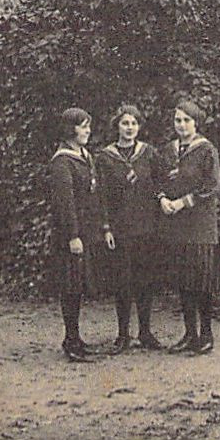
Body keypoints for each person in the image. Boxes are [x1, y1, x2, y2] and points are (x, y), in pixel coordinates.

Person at [96, 103, 165, 352]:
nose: (130, 128)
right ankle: (123, 335)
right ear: (117, 126)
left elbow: (160, 185)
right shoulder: (105, 157)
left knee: (145, 280)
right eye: (125, 123)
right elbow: (101, 195)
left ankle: (145, 333)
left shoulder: (149, 154)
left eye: (134, 123)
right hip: (120, 228)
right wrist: (106, 227)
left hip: (146, 227)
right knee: (122, 282)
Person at [158, 99, 220, 355]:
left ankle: (206, 335)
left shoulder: (206, 150)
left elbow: (213, 186)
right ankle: (189, 333)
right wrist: (162, 199)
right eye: (178, 120)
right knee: (183, 279)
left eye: (186, 120)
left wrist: (184, 202)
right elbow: (158, 179)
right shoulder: (169, 150)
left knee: (201, 280)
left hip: (199, 225)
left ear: (196, 122)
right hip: (176, 226)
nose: (182, 125)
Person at [47, 106, 110, 362]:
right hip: (70, 235)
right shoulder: (62, 161)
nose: (87, 131)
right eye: (82, 126)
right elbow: (65, 203)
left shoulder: (85, 156)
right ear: (70, 129)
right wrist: (73, 235)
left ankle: (76, 338)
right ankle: (70, 339)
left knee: (80, 285)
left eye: (87, 126)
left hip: (87, 231)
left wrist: (102, 226)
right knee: (71, 286)